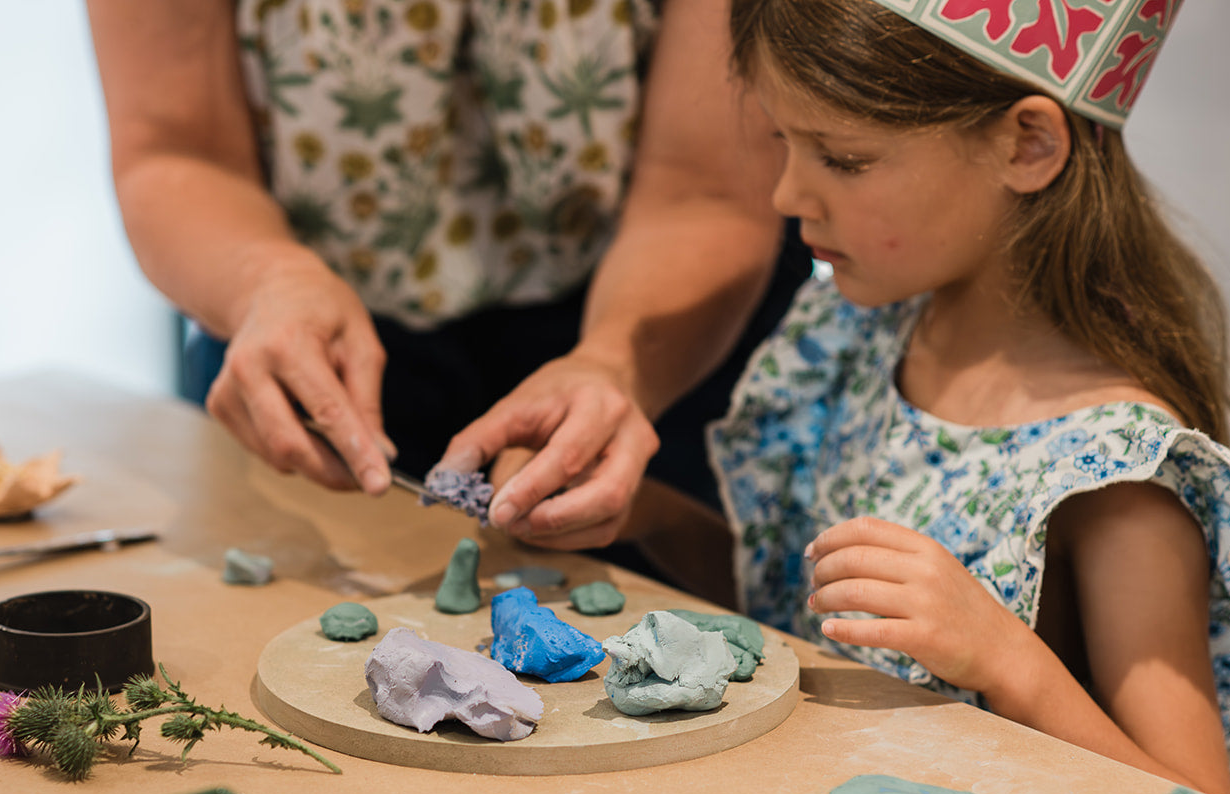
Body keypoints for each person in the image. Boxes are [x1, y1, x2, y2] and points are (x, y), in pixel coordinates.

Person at [711, 0, 1230, 794]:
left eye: (844, 158)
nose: (789, 194)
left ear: (1027, 145)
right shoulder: (858, 330)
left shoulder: (1112, 469)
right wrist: (643, 516)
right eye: (784, 142)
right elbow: (808, 607)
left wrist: (1004, 659)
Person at [86, 0, 808, 555]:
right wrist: (264, 281)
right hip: (302, 338)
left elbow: (704, 191)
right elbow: (176, 150)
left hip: (654, 321)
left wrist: (613, 365)